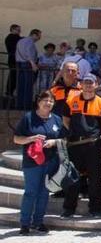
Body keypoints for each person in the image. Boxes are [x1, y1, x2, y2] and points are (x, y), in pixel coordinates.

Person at [14, 91, 67, 234]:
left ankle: (38, 222)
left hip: (50, 161)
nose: (48, 103)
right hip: (32, 162)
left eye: (51, 101)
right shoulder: (28, 118)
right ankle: (25, 223)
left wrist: (53, 141)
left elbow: (64, 140)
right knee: (31, 192)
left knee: (44, 192)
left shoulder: (56, 119)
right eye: (45, 100)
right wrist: (31, 139)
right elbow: (16, 139)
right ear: (38, 101)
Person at [60, 74, 101, 218]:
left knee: (95, 178)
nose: (88, 85)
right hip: (75, 145)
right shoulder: (71, 101)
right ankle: (69, 208)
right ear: (81, 84)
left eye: (91, 83)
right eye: (86, 82)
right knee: (73, 178)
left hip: (93, 145)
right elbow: (66, 120)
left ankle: (95, 209)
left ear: (96, 85)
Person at [15, 29, 41, 110]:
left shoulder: (20, 41)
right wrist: (33, 64)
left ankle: (19, 104)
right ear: (34, 34)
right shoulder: (30, 42)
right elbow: (28, 53)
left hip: (19, 63)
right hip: (27, 64)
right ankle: (26, 106)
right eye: (39, 36)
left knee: (21, 85)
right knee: (28, 86)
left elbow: (17, 53)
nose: (39, 38)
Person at [6, 24, 22, 98]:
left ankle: (10, 92)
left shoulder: (13, 38)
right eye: (17, 30)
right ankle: (9, 92)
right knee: (13, 76)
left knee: (14, 76)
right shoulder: (11, 38)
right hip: (13, 59)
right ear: (12, 29)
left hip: (14, 59)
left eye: (19, 30)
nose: (19, 31)